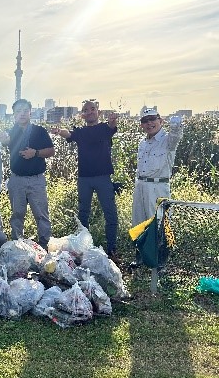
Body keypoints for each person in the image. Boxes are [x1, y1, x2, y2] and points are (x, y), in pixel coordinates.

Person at [51, 100, 119, 259]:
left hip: (103, 178)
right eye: (85, 110)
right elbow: (69, 134)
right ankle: (82, 249)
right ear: (82, 115)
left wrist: (113, 120)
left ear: (98, 112)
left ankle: (112, 249)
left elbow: (111, 126)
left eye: (92, 109)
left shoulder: (104, 128)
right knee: (83, 214)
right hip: (84, 179)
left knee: (110, 214)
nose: (89, 112)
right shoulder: (80, 132)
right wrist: (59, 131)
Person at [0, 99, 55, 250]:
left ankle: (44, 246)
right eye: (18, 111)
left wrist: (35, 153)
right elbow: (6, 141)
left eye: (24, 111)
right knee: (17, 215)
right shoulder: (11, 132)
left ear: (30, 112)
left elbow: (51, 151)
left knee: (41, 215)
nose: (21, 114)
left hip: (37, 180)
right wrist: (3, 139)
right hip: (17, 180)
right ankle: (19, 247)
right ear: (14, 115)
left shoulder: (39, 131)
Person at [130, 108, 183, 268]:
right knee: (139, 222)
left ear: (161, 121)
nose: (149, 123)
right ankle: (140, 257)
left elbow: (176, 135)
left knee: (161, 223)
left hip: (158, 187)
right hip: (141, 186)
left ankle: (161, 262)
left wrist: (176, 125)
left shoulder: (167, 140)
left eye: (153, 119)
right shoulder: (143, 143)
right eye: (145, 121)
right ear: (141, 125)